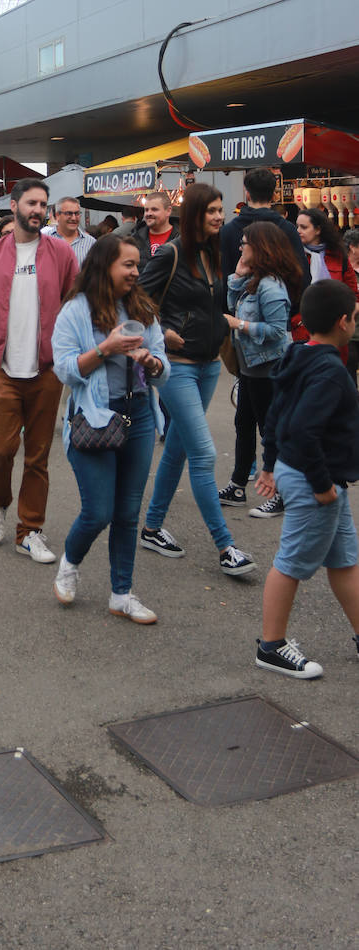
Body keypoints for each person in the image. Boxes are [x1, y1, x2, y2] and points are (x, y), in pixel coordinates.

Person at [138, 183, 257, 577]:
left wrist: (236, 280)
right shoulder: (171, 253)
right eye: (211, 211)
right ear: (193, 215)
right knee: (204, 454)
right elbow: (135, 300)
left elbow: (215, 303)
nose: (220, 217)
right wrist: (162, 329)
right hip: (177, 367)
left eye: (221, 210)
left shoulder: (214, 254)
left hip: (208, 365)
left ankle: (152, 528)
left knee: (178, 448)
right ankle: (226, 547)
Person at [53, 235, 170, 622]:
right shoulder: (76, 311)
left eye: (138, 265)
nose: (136, 272)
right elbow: (65, 368)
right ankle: (70, 562)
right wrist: (107, 349)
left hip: (137, 416)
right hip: (94, 418)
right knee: (99, 511)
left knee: (128, 513)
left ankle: (121, 593)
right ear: (105, 267)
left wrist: (151, 363)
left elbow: (163, 368)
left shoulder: (142, 308)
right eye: (128, 265)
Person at [0, 178, 77, 562]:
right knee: (1, 449)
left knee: (38, 455)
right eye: (31, 202)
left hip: (47, 371)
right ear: (13, 206)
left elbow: (75, 304)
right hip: (4, 369)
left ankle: (30, 529)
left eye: (43, 204)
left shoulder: (61, 254)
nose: (37, 210)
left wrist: (65, 354)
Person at [253, 280, 359, 678]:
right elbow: (303, 428)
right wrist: (321, 486)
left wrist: (268, 464)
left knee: (345, 560)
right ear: (342, 322)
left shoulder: (300, 354)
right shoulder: (331, 371)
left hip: (312, 477)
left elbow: (278, 413)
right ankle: (271, 646)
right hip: (316, 482)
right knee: (291, 563)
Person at [220, 221, 302, 511]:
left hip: (268, 367)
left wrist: (239, 325)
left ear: (261, 248)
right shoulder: (254, 279)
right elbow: (232, 304)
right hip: (251, 367)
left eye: (245, 243)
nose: (241, 248)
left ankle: (281, 493)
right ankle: (238, 484)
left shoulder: (271, 285)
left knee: (270, 430)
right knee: (244, 424)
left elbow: (278, 332)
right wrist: (237, 276)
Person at [220, 167, 308, 285]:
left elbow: (222, 275)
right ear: (273, 195)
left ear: (247, 195)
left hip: (237, 299)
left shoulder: (227, 231)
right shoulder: (288, 229)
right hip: (281, 301)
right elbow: (302, 275)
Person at [42, 196, 95, 268]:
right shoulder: (44, 241)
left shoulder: (91, 243)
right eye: (69, 213)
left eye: (77, 213)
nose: (73, 218)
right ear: (57, 215)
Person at [132, 190, 179, 258]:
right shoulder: (134, 239)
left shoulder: (183, 239)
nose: (149, 213)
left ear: (168, 211)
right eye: (146, 210)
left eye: (154, 209)